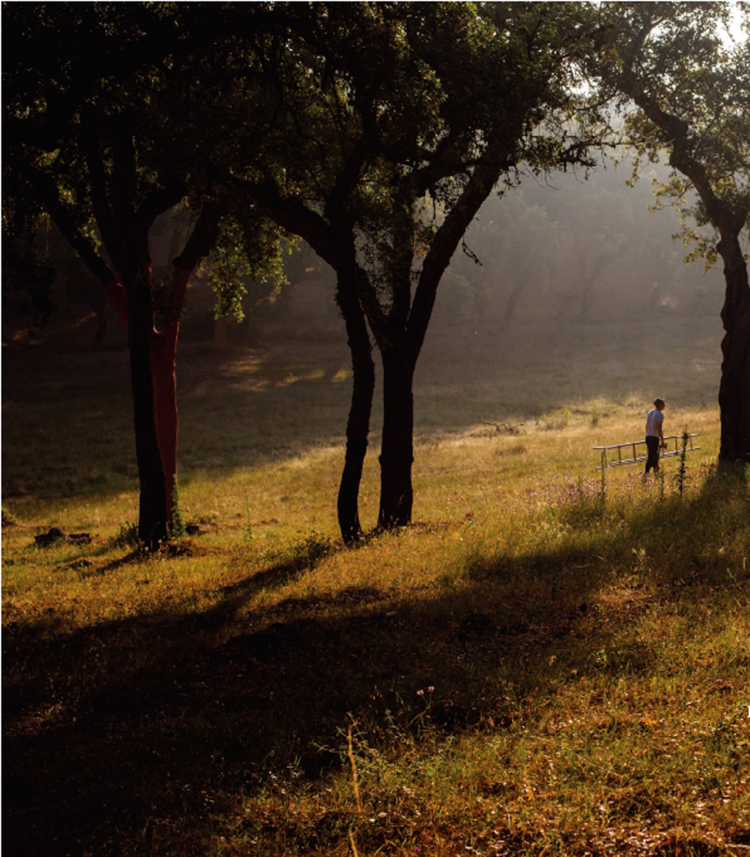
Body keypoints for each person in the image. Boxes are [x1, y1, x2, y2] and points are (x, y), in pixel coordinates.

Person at [644, 397, 666, 475]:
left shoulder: (650, 412)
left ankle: (655, 470)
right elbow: (659, 428)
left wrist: (647, 432)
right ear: (660, 405)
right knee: (652, 456)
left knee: (654, 455)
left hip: (648, 436)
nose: (664, 406)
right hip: (654, 437)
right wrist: (662, 440)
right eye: (663, 404)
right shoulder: (660, 415)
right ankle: (647, 472)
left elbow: (646, 425)